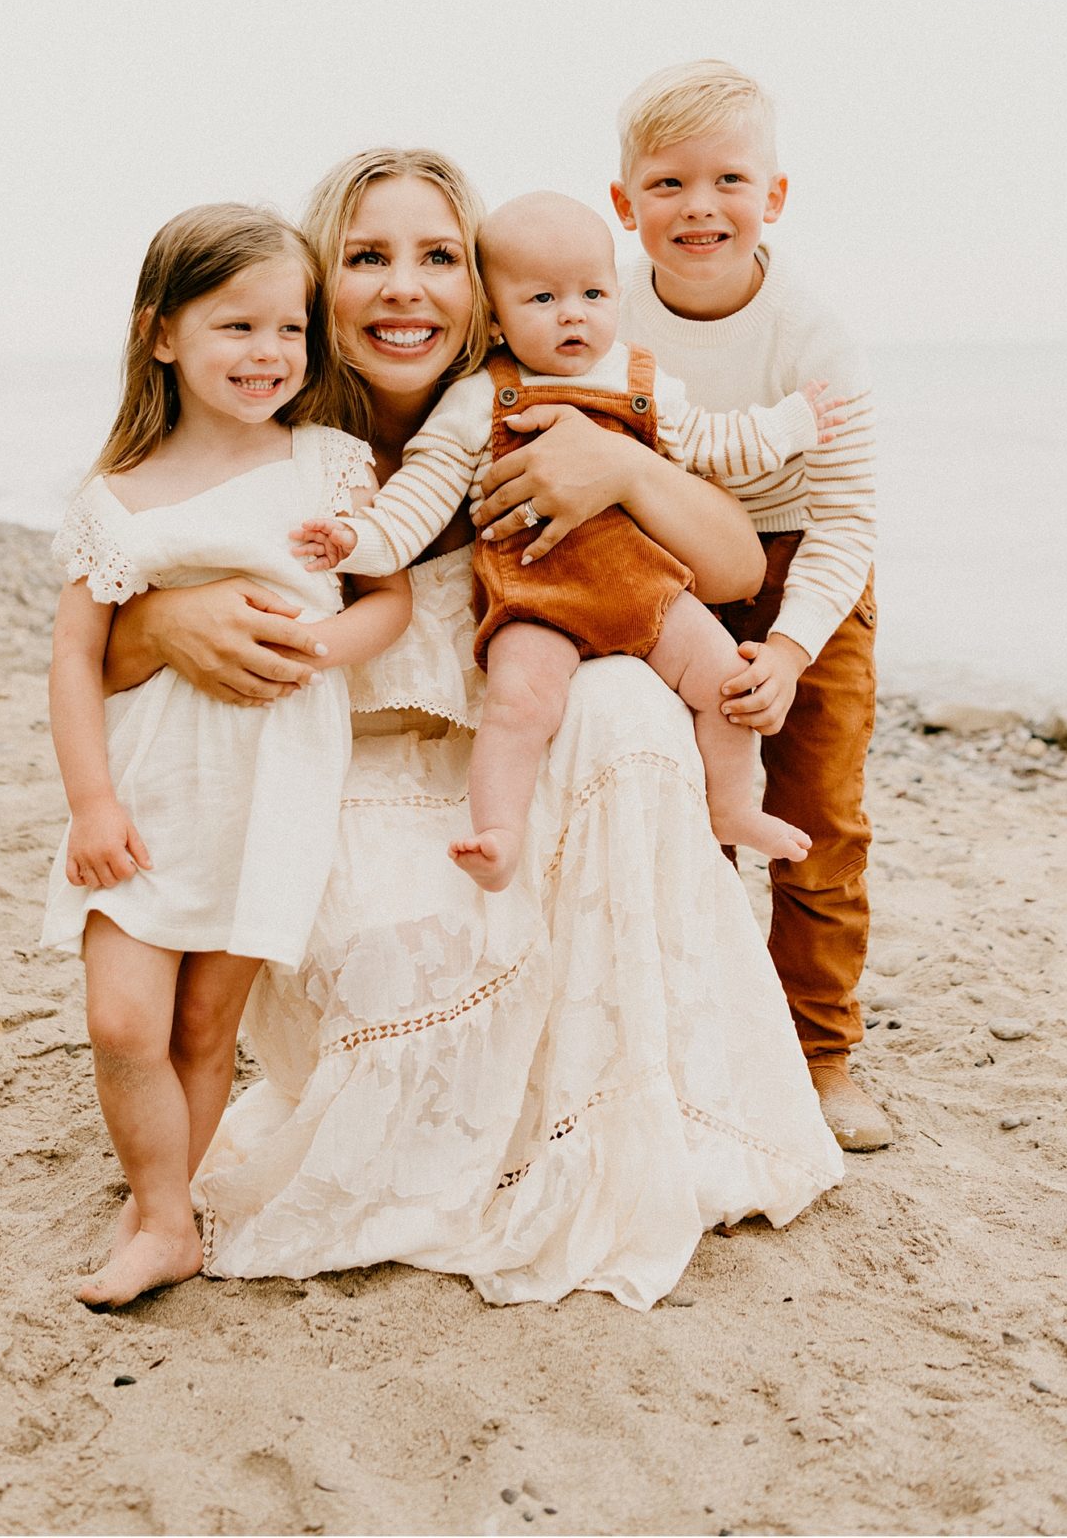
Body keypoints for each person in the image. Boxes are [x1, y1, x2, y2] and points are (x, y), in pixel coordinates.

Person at [104, 148, 844, 1310]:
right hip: (345, 778)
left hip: (508, 772)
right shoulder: (266, 421)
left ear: (483, 290)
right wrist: (167, 615)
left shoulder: (561, 397)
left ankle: (614, 1103)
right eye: (365, 257)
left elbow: (734, 565)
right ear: (315, 282)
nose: (405, 286)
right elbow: (104, 610)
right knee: (407, 944)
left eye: (438, 257)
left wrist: (620, 470)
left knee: (629, 703)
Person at [476, 62, 886, 1152]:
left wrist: (794, 647)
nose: (698, 207)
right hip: (651, 561)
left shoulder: (813, 336)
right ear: (625, 204)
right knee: (678, 800)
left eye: (728, 180)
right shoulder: (596, 310)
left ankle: (819, 1051)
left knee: (818, 814)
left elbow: (849, 519)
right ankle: (700, 1038)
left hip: (805, 570)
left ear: (775, 196)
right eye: (666, 184)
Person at [43, 203, 410, 1308]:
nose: (268, 355)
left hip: (273, 788)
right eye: (235, 327)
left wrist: (319, 646)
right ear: (162, 334)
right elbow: (75, 658)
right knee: (121, 1019)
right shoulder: (116, 497)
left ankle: (163, 1213)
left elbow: (386, 597)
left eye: (289, 330)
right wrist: (91, 803)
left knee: (207, 1024)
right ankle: (160, 1204)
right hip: (149, 791)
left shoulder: (328, 464)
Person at [293, 189, 842, 889]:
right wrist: (357, 540)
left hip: (646, 589)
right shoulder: (475, 399)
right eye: (543, 300)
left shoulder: (640, 379)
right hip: (538, 597)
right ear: (493, 318)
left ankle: (731, 807)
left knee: (727, 683)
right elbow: (416, 503)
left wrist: (789, 426)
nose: (574, 313)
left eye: (592, 293)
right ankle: (500, 830)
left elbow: (714, 442)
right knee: (521, 705)